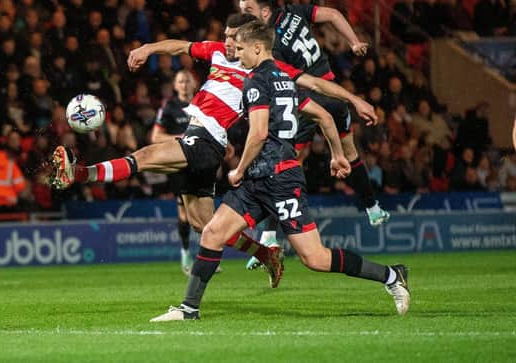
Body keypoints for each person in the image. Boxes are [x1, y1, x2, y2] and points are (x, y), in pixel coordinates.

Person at [150, 22, 410, 322]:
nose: (239, 54)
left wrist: (239, 168)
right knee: (212, 232)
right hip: (262, 178)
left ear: (257, 47)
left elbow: (258, 133)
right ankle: (189, 309)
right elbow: (324, 115)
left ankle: (392, 275)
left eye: (243, 49)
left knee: (315, 258)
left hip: (280, 179)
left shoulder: (256, 81)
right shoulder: (284, 79)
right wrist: (337, 155)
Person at [52, 13, 285, 287]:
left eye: (234, 37)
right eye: (226, 35)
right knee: (203, 224)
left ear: (249, 40)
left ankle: (78, 173)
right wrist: (147, 49)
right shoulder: (218, 52)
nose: (228, 42)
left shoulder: (260, 71)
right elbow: (179, 46)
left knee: (146, 156)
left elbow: (298, 85)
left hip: (207, 140)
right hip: (204, 140)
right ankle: (266, 254)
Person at [238, 0, 389, 269]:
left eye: (248, 11)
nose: (244, 16)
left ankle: (270, 237)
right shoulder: (295, 12)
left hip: (310, 97)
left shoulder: (271, 48)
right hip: (334, 94)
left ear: (265, 13)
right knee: (350, 151)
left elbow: (306, 82)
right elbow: (331, 14)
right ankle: (372, 207)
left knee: (281, 162)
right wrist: (353, 41)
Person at [151, 70, 196, 274]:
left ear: (194, 84)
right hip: (179, 165)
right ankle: (186, 251)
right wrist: (179, 137)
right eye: (181, 82)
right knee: (186, 216)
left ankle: (207, 254)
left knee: (203, 213)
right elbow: (156, 137)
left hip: (201, 163)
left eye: (187, 81)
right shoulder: (169, 108)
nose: (185, 85)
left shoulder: (203, 103)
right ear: (175, 86)